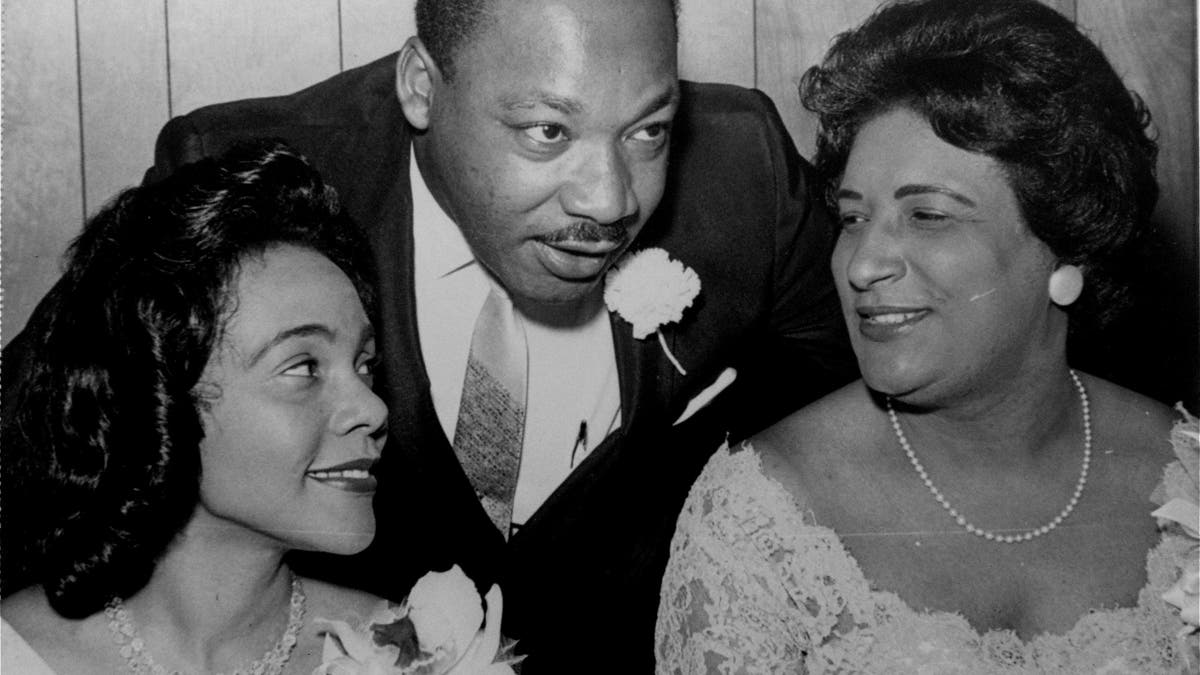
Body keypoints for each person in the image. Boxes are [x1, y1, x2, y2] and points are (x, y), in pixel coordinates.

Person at [2, 0, 856, 670]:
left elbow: (892, 413)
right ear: (421, 83)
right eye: (546, 131)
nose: (609, 200)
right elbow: (40, 435)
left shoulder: (741, 178)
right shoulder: (261, 176)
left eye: (647, 131)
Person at [655, 0, 1198, 672]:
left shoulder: (1189, 481)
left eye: (928, 215)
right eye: (853, 218)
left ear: (1068, 251)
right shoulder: (761, 517)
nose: (861, 263)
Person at [1, 142, 393, 673]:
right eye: (304, 367)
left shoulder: (428, 655)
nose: (371, 407)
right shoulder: (18, 655)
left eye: (365, 364)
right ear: (156, 396)